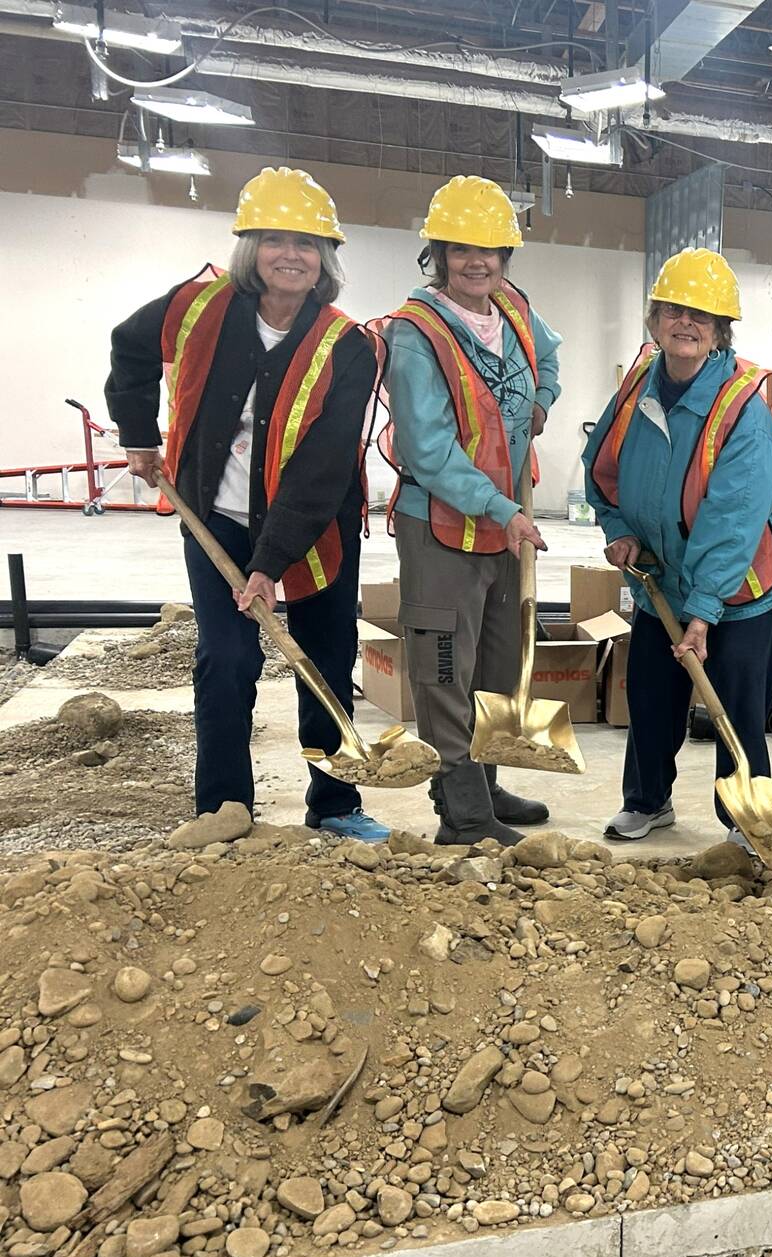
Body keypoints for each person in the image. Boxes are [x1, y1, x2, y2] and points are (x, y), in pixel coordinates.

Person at [106, 166, 386, 842]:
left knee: (322, 654)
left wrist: (269, 562)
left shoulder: (348, 346)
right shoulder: (198, 305)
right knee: (226, 658)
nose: (291, 255)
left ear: (326, 259)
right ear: (249, 247)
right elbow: (131, 346)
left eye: (308, 244)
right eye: (275, 240)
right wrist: (139, 435)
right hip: (216, 521)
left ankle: (336, 801)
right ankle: (224, 804)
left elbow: (322, 470)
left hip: (314, 531)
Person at [584, 249, 772, 843]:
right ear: (653, 321)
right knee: (652, 699)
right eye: (674, 310)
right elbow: (601, 468)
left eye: (701, 316)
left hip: (737, 588)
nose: (686, 323)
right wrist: (616, 527)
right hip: (660, 581)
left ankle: (744, 816)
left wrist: (703, 610)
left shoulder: (741, 411)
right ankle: (648, 801)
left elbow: (733, 521)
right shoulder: (638, 389)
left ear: (720, 332)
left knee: (735, 706)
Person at [379, 175, 562, 846]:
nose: (477, 263)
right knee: (444, 669)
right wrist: (500, 507)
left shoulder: (510, 307)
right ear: (439, 254)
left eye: (490, 251)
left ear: (505, 258)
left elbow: (552, 354)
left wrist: (540, 397)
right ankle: (461, 814)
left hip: (501, 525)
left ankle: (486, 783)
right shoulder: (416, 331)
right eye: (461, 251)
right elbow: (426, 448)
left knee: (496, 660)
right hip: (442, 529)